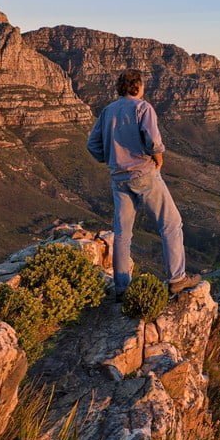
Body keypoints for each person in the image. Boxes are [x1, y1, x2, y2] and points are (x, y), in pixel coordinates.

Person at [87, 69, 200, 299]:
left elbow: (92, 144)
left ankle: (121, 288)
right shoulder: (142, 107)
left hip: (118, 178)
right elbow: (153, 140)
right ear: (137, 86)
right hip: (144, 174)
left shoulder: (108, 111)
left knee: (122, 233)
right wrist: (158, 159)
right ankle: (177, 279)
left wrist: (107, 157)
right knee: (171, 224)